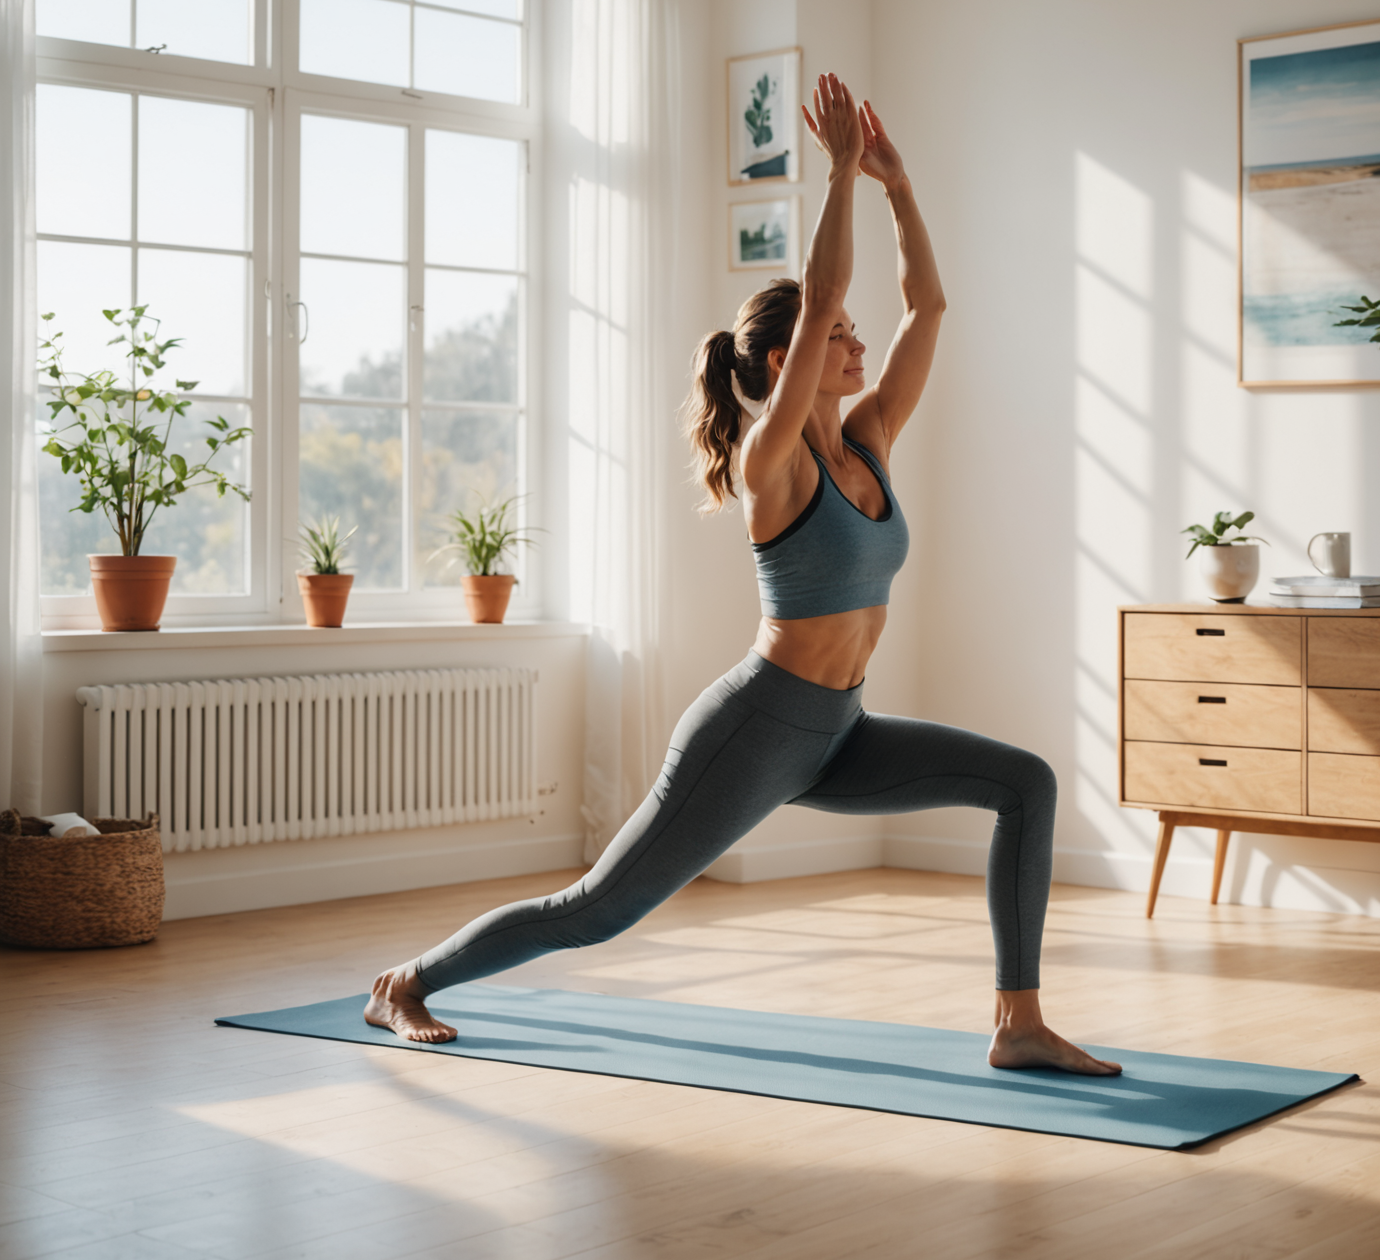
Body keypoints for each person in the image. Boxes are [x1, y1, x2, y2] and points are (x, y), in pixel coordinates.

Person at [366, 72, 1120, 1076]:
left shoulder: (870, 441)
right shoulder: (775, 464)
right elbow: (821, 314)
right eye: (837, 334)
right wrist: (840, 173)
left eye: (853, 335)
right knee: (595, 911)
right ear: (782, 365)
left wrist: (897, 186)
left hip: (840, 731)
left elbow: (928, 305)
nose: (854, 343)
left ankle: (1017, 1023)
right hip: (754, 730)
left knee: (1024, 782)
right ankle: (404, 983)